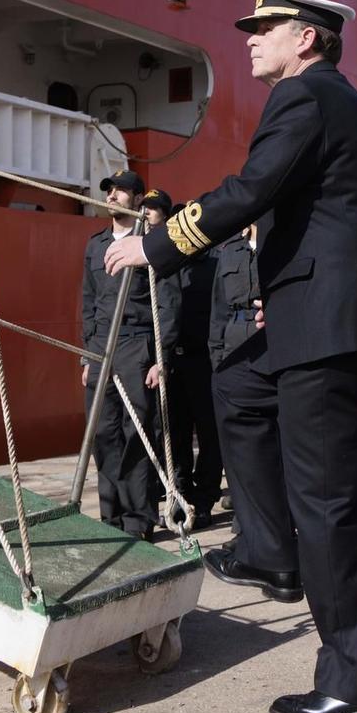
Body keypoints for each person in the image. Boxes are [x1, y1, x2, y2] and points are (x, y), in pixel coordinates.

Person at [104, 0, 357, 713]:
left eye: (265, 27)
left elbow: (248, 190)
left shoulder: (304, 100)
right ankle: (271, 555)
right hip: (328, 316)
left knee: (328, 504)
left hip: (327, 322)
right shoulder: (342, 102)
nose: (250, 37)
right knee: (247, 400)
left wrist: (154, 245)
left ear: (306, 37)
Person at [204, 223, 302, 603]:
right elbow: (218, 311)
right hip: (237, 344)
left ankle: (278, 544)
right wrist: (218, 359)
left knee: (283, 454)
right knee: (247, 456)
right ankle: (252, 539)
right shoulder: (230, 250)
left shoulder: (288, 239)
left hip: (280, 343)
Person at [78, 170, 178, 539]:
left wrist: (160, 357)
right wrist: (85, 356)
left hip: (138, 346)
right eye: (110, 191)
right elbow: (87, 303)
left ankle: (138, 521)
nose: (113, 196)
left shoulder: (153, 245)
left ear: (138, 199)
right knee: (102, 434)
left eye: (122, 191)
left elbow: (167, 304)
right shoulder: (95, 245)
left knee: (136, 433)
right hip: (100, 347)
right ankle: (112, 518)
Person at [146, 189, 221, 530]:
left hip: (204, 362)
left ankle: (204, 500)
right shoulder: (167, 267)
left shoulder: (216, 266)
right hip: (172, 362)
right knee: (174, 436)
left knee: (208, 436)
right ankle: (179, 498)